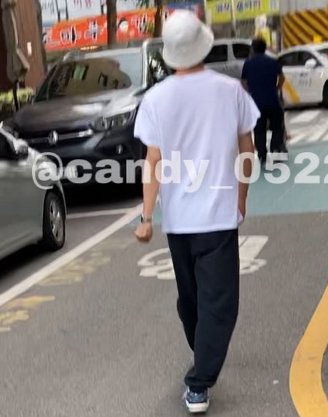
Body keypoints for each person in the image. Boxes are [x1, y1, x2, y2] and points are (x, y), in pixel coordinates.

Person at [133, 10, 260, 414]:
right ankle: (203, 367)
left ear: (169, 53)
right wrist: (241, 197)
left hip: (178, 222)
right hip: (218, 217)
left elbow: (152, 161)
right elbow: (247, 150)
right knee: (215, 303)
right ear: (204, 45)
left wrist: (147, 217)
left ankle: (200, 377)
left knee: (192, 300)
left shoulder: (155, 99)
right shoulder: (231, 92)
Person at [241, 37, 286, 165]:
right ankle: (275, 148)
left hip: (256, 103)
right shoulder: (273, 62)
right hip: (273, 100)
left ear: (253, 49)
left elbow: (243, 82)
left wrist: (250, 92)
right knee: (277, 126)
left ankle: (262, 154)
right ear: (265, 48)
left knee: (259, 129)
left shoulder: (248, 64)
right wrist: (276, 88)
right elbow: (282, 78)